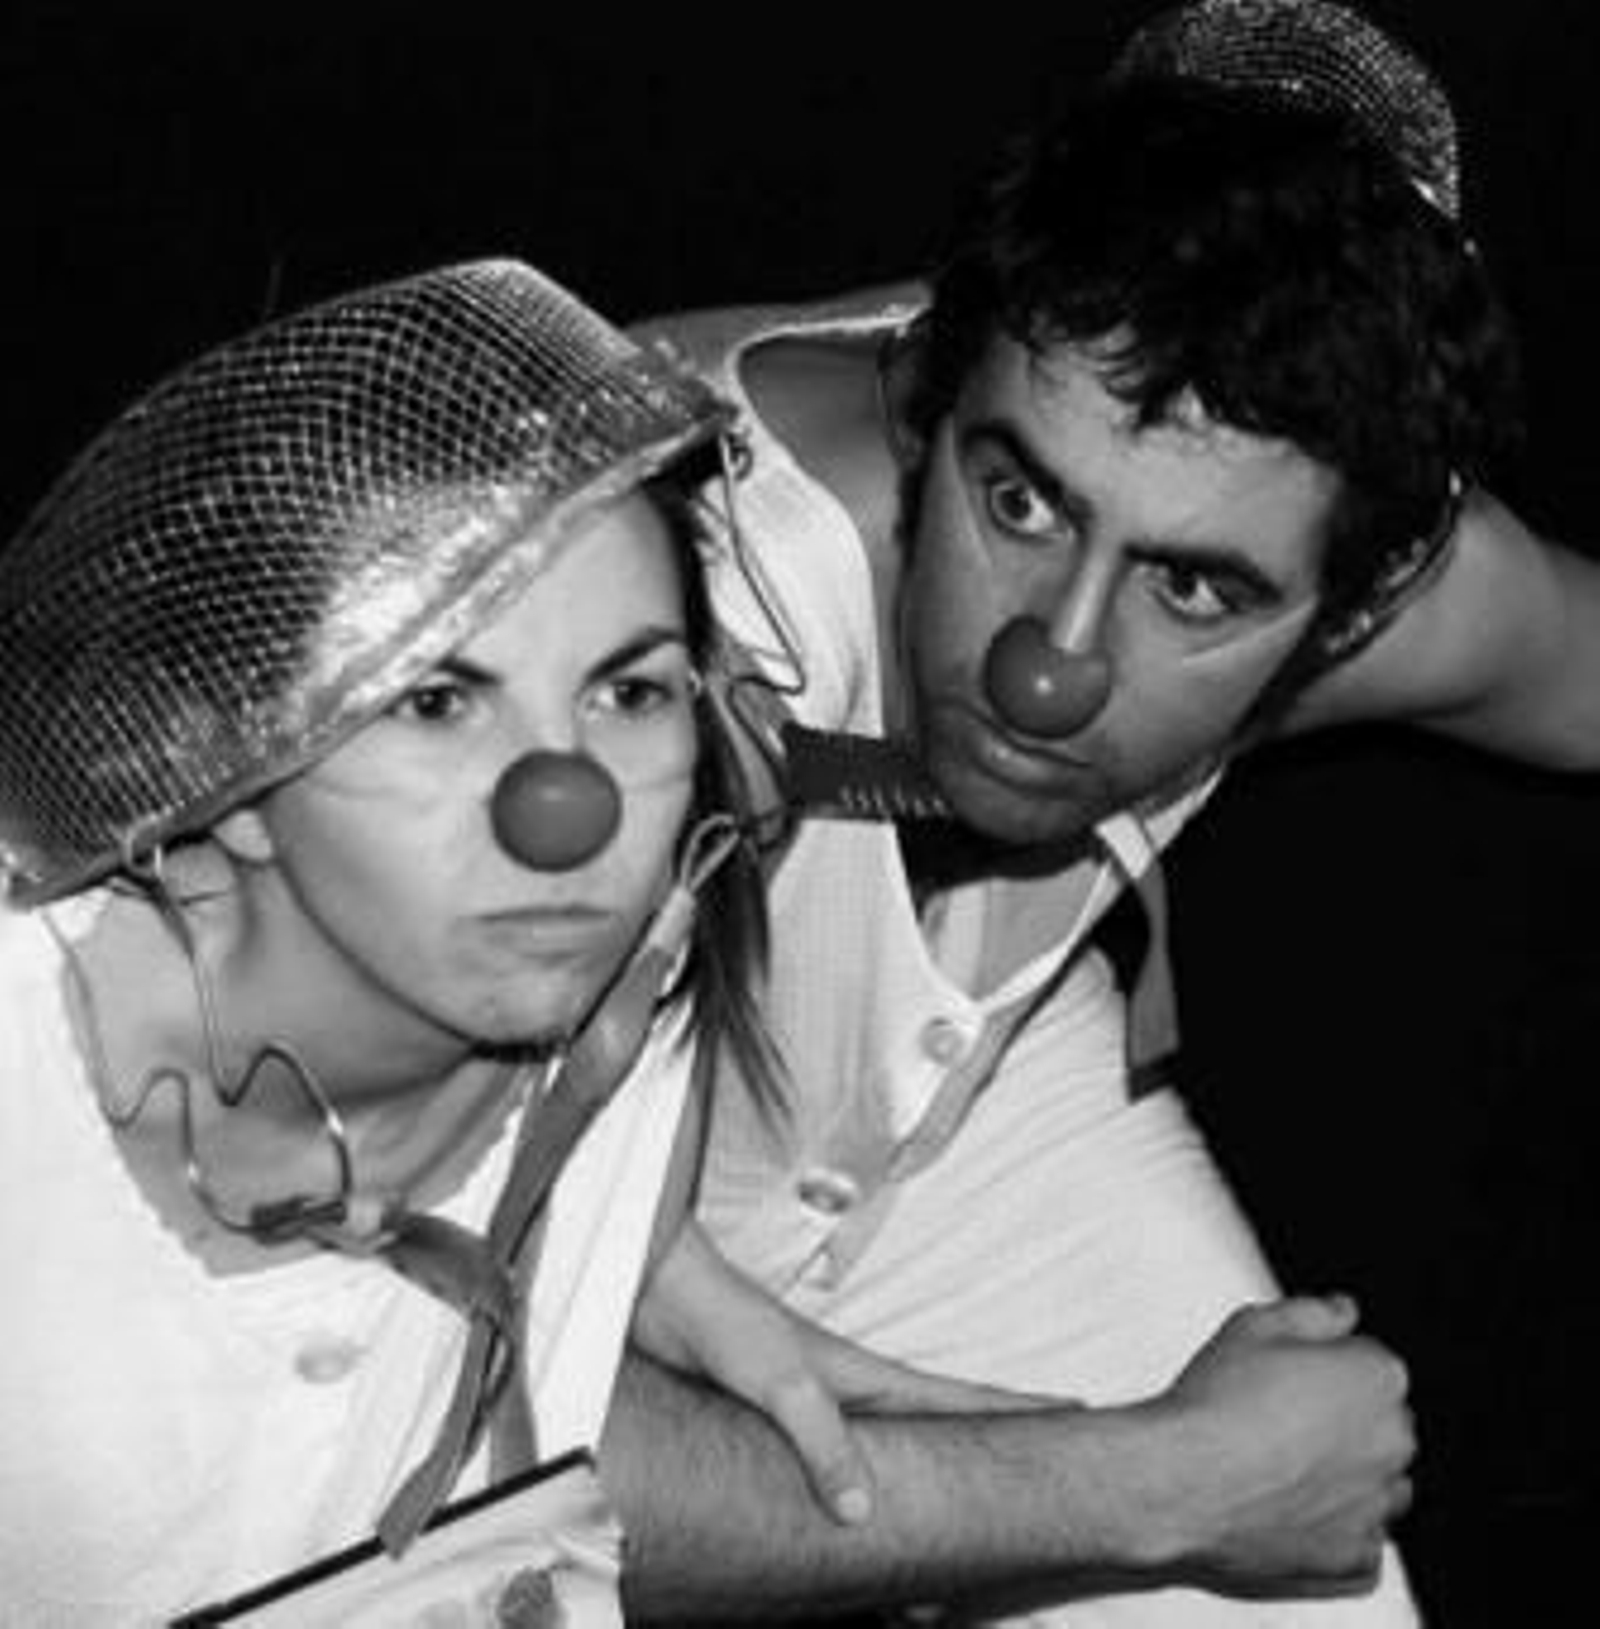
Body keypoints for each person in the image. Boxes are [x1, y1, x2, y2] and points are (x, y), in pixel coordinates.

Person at [600, 1, 1600, 1622]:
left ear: (1355, 611)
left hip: (947, 1111)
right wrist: (1169, 1484)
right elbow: (409, 1486)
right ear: (930, 398)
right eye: (1018, 498)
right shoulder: (651, 627)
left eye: (1192, 587)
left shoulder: (1363, 576)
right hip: (512, 1177)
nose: (1050, 666)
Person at [0, 255, 793, 1623]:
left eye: (627, 691)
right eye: (433, 700)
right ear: (230, 781)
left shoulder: (631, 1028)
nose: (568, 806)